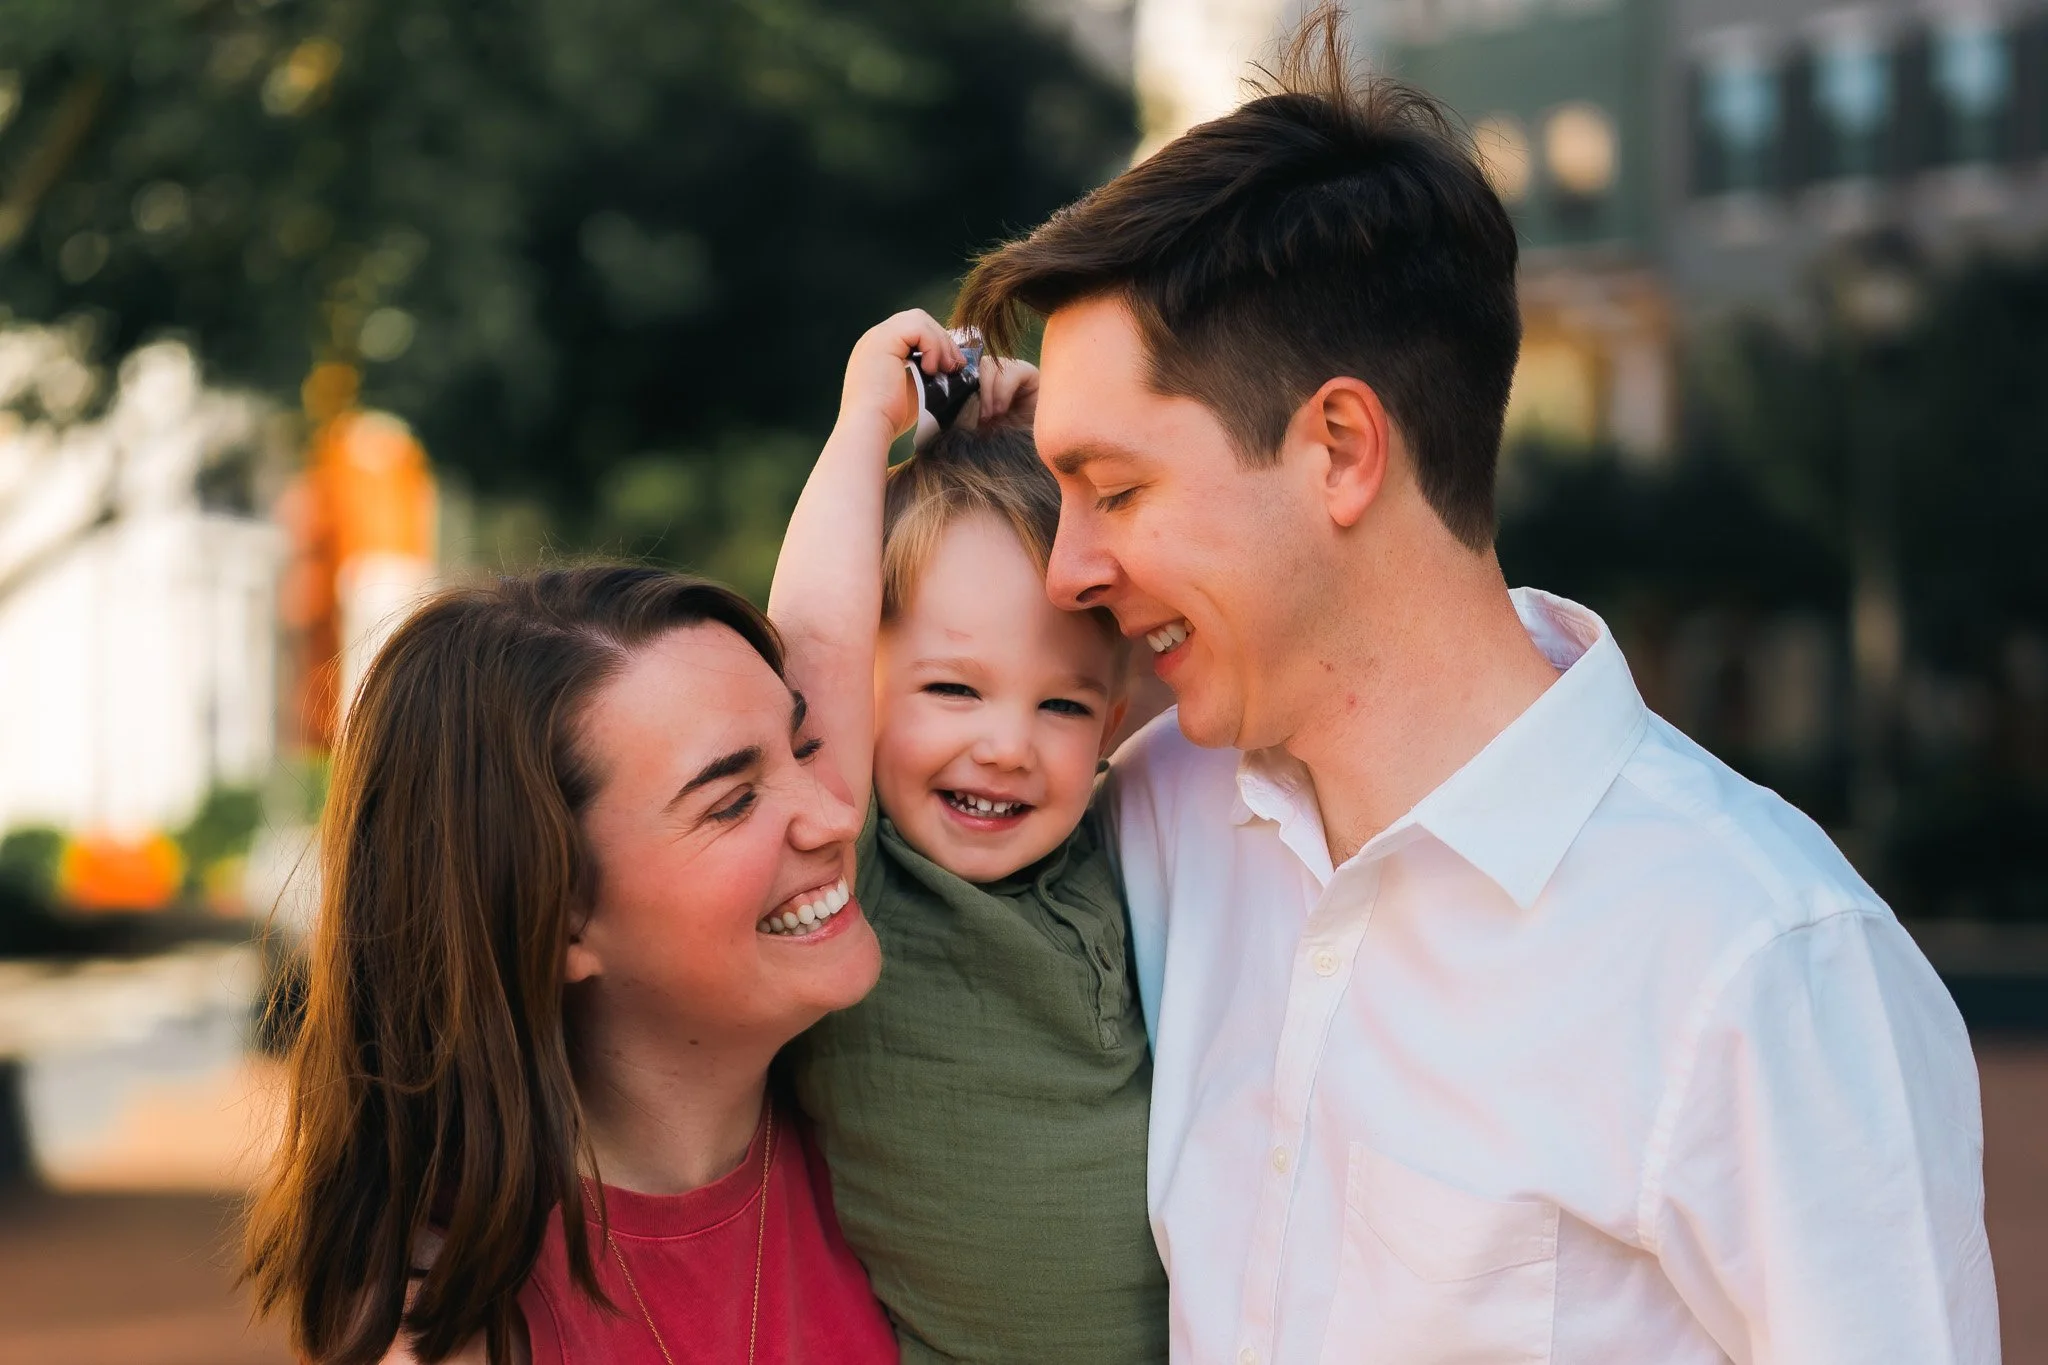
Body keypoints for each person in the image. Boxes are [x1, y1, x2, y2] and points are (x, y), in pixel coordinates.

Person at [951, 11, 2000, 1365]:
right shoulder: (1147, 819)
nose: (1069, 569)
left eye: (1117, 487)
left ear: (1338, 446)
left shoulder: (1760, 957)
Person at [241, 567, 898, 1365]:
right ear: (552, 916)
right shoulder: (457, 1335)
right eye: (732, 802)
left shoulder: (904, 1128)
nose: (836, 817)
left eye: (805, 748)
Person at [771, 311, 1167, 1362]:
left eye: (1062, 708)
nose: (1005, 748)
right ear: (861, 696)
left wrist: (1053, 450)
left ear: (1111, 727)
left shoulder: (1123, 850)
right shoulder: (851, 878)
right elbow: (811, 638)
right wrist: (867, 424)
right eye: (952, 689)